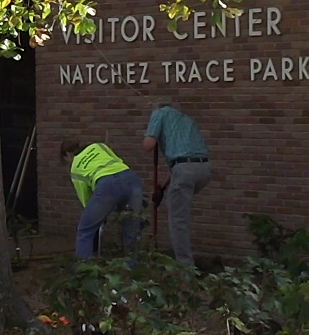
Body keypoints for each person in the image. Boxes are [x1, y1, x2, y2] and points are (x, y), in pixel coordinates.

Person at [142, 101, 212, 267]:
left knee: (178, 220)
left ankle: (185, 269)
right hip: (204, 169)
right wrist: (163, 188)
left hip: (184, 171)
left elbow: (148, 145)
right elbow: (181, 163)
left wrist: (153, 133)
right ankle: (185, 263)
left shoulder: (159, 113)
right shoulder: (186, 120)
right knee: (179, 209)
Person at [62, 138, 142, 259]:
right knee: (132, 230)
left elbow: (86, 201)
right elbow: (118, 162)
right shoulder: (99, 146)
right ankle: (133, 271)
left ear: (67, 155)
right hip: (130, 179)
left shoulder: (75, 169)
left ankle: (84, 272)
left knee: (84, 231)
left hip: (106, 185)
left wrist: (99, 215)